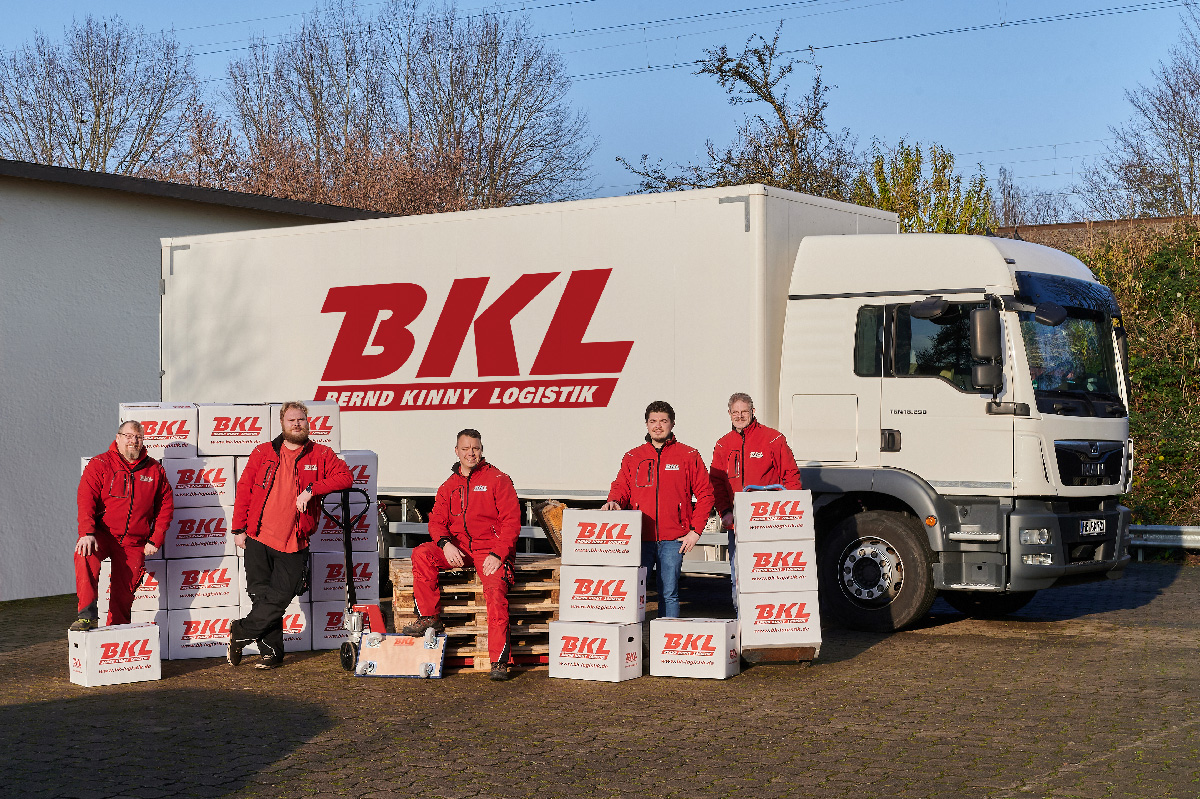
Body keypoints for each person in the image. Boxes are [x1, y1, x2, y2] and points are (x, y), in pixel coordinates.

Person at [228, 401, 353, 669]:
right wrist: (238, 528)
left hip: (294, 540)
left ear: (308, 423)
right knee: (262, 597)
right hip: (258, 536)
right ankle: (271, 654)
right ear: (282, 424)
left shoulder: (320, 453)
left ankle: (240, 631)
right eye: (291, 420)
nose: (297, 424)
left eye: (301, 420)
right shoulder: (263, 452)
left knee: (281, 595)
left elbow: (345, 477)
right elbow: (245, 490)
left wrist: (313, 489)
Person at [402, 429, 521, 682]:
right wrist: (445, 544)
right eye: (465, 448)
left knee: (495, 594)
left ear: (482, 450)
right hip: (460, 548)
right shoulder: (449, 485)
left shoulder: (498, 479)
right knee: (422, 553)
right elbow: (435, 522)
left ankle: (499, 661)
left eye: (475, 448)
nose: (471, 453)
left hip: (490, 550)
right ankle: (430, 618)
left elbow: (512, 522)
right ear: (456, 451)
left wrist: (499, 554)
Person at [602, 401, 714, 619]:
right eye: (653, 421)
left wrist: (695, 531)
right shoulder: (633, 457)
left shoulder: (688, 455)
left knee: (669, 594)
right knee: (634, 594)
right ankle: (631, 644)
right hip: (640, 539)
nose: (658, 426)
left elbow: (706, 495)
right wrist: (614, 501)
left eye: (663, 421)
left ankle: (667, 644)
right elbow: (621, 487)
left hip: (674, 539)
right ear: (646, 424)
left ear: (672, 424)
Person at [73, 421, 175, 631]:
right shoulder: (100, 463)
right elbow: (86, 499)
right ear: (118, 438)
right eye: (128, 436)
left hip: (134, 541)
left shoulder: (155, 470)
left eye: (137, 437)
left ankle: (116, 632)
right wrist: (87, 532)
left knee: (124, 592)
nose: (133, 441)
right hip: (103, 534)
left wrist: (155, 539)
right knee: (84, 554)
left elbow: (166, 506)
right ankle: (86, 616)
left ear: (142, 440)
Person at [709, 392, 802, 604]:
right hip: (739, 523)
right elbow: (717, 483)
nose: (740, 416)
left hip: (769, 522)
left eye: (744, 411)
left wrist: (791, 513)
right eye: (735, 412)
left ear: (753, 412)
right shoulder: (723, 445)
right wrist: (725, 511)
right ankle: (743, 623)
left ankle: (769, 625)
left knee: (770, 576)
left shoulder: (773, 439)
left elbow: (791, 476)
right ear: (729, 414)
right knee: (739, 577)